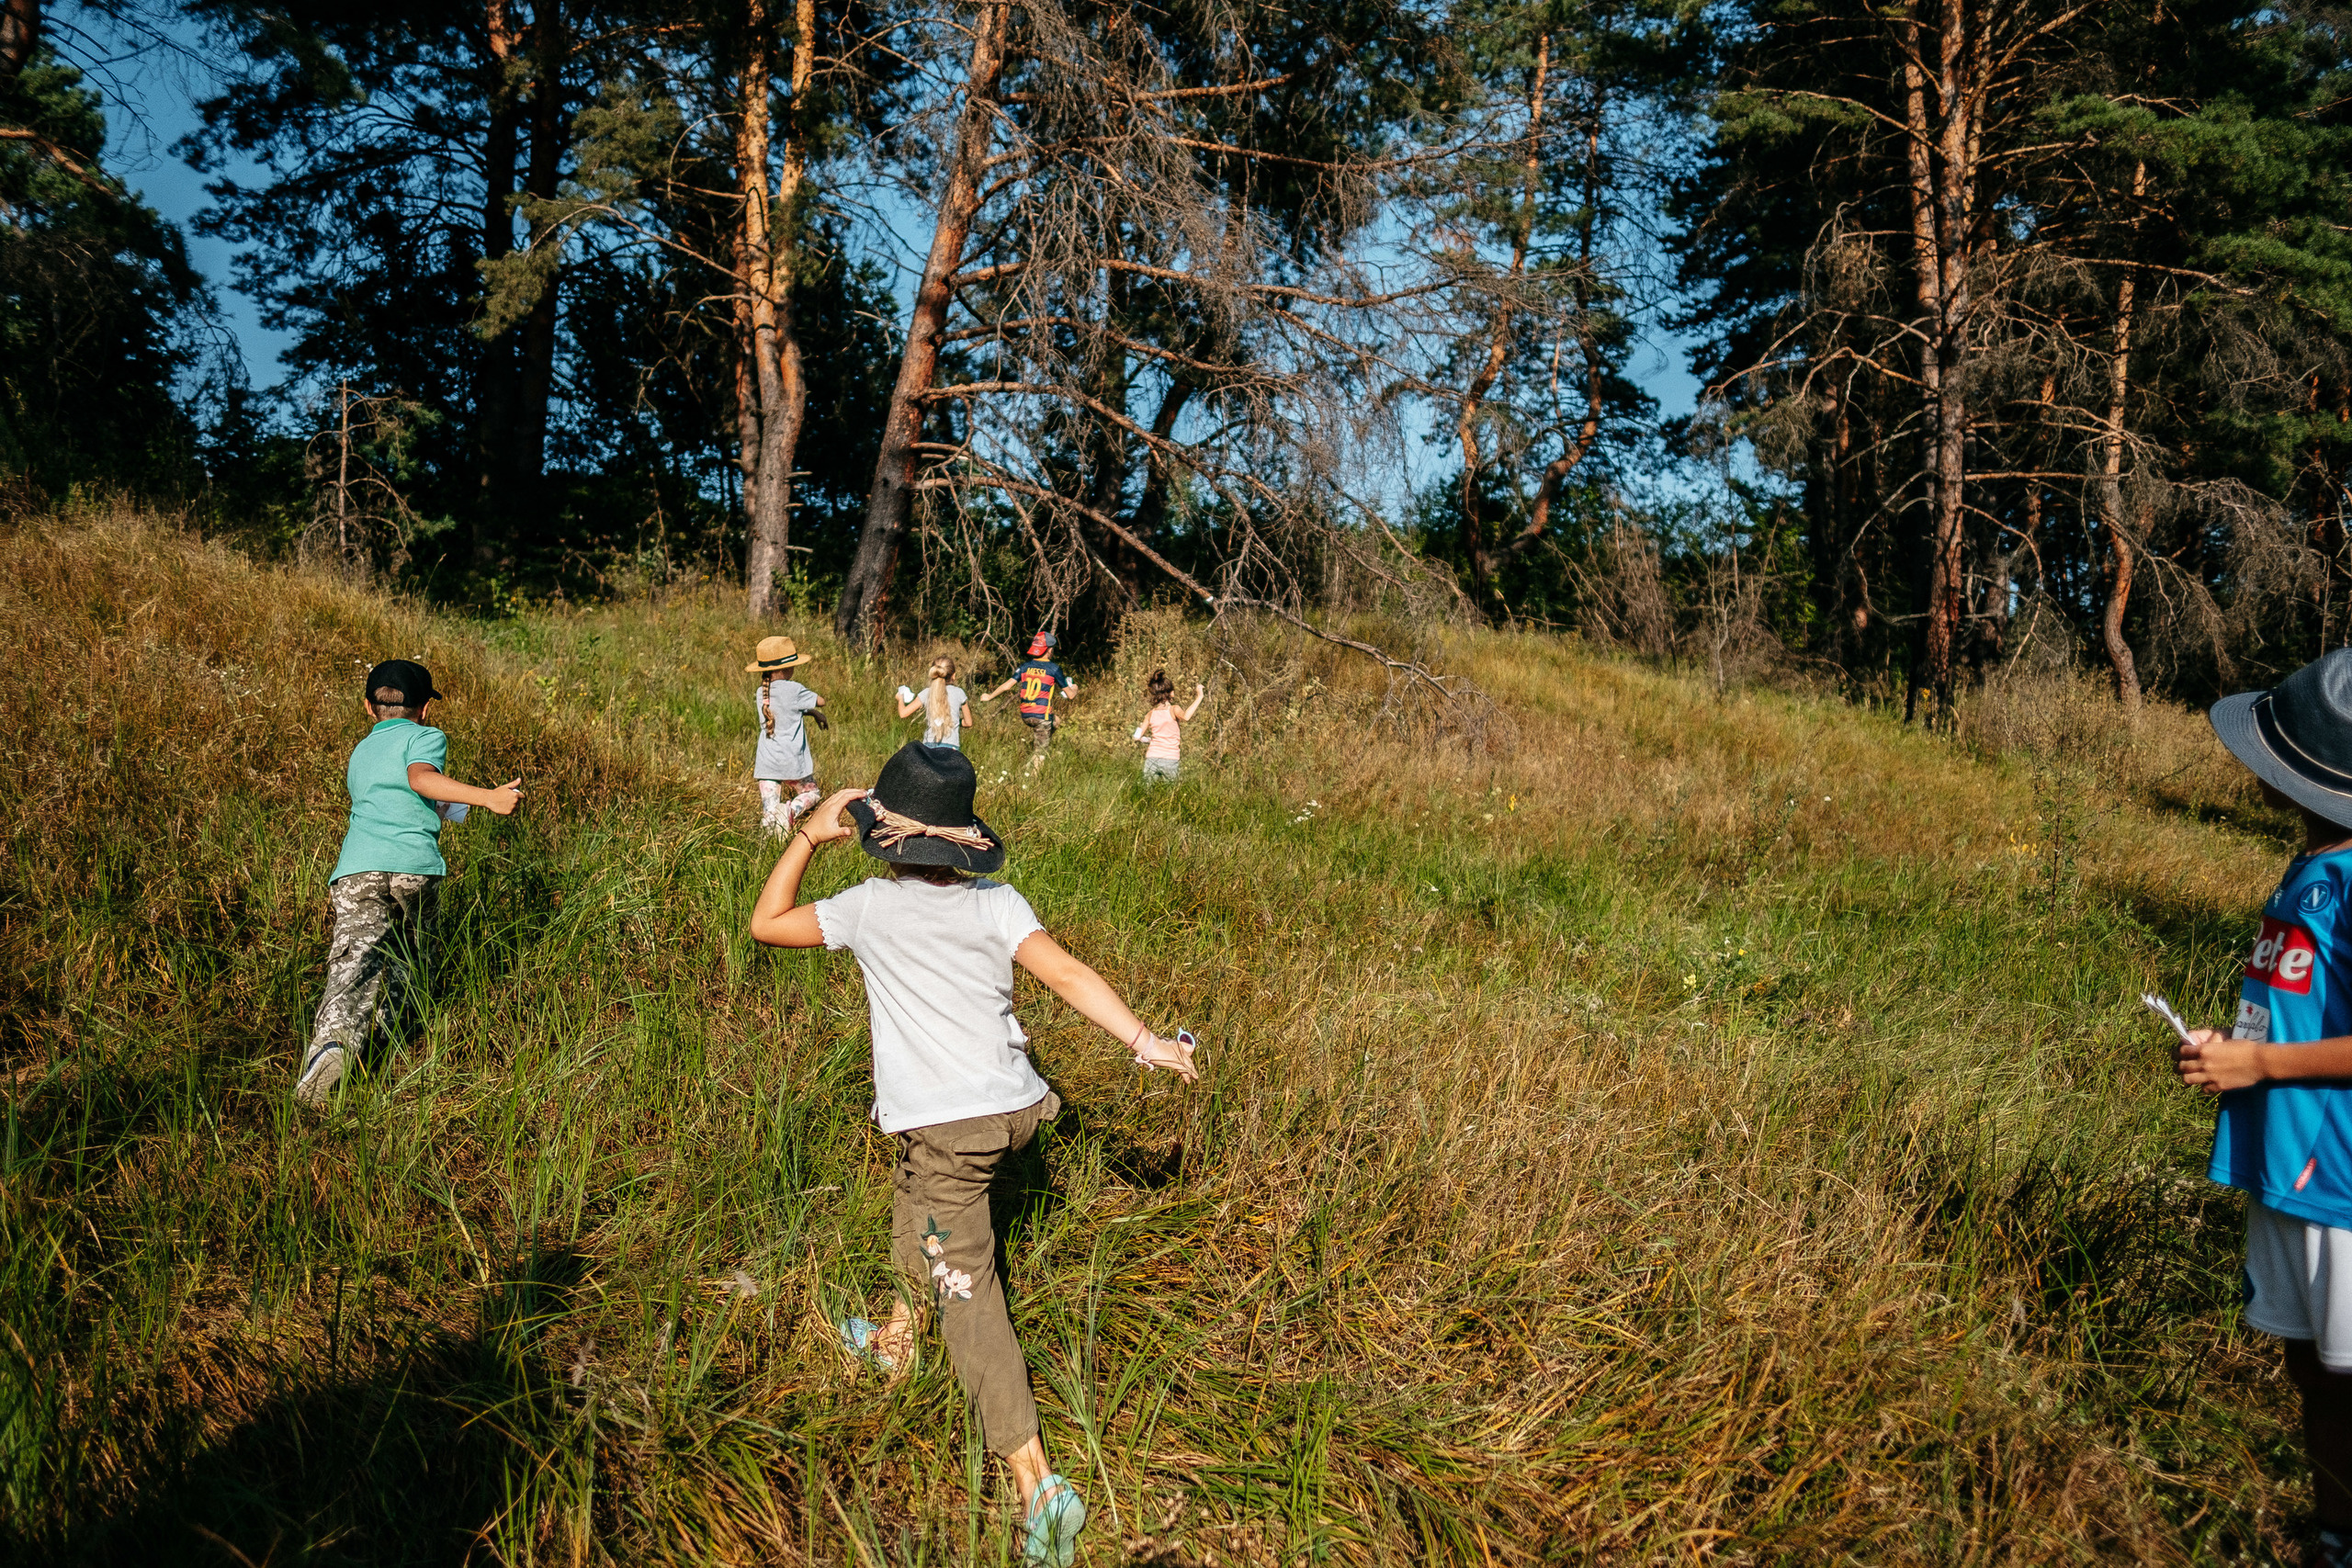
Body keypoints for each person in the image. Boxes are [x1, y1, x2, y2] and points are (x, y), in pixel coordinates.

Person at [746, 742, 1197, 1566]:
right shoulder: (996, 902)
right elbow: (1066, 973)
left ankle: (1038, 1484)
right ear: (964, 840)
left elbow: (766, 923)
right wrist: (1147, 1041)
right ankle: (897, 1336)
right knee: (914, 1194)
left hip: (950, 1128)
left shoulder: (866, 908)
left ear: (881, 835)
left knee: (968, 1293)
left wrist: (808, 834)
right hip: (1011, 1110)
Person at [2176, 647, 2352, 1568]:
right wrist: (2233, 1048)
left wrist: (2259, 1063)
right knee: (2308, 1365)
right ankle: (2334, 1535)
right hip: (2282, 1164)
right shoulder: (2309, 862)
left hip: (2340, 1184)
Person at [296, 660, 524, 1108]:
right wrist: (488, 798)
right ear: (424, 709)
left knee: (353, 963)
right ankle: (393, 1047)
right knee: (412, 961)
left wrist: (449, 807)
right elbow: (420, 779)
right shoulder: (425, 736)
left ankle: (334, 1049)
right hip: (413, 869)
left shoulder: (361, 752)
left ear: (368, 707)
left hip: (358, 871)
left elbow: (398, 798)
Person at [748, 636, 825, 837]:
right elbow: (821, 701)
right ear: (787, 668)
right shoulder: (795, 689)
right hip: (792, 762)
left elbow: (783, 710)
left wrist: (810, 713)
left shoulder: (761, 692)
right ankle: (791, 811)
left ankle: (770, 841)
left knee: (769, 811)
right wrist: (815, 710)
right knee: (812, 793)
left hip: (767, 763)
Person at [980, 632, 1073, 772]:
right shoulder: (1054, 669)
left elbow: (1007, 686)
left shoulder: (1025, 666)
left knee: (1056, 721)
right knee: (1041, 754)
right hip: (1041, 716)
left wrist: (989, 696)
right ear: (1049, 650)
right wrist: (1075, 688)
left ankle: (1032, 758)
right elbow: (1070, 695)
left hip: (1026, 715)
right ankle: (1033, 780)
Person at [1131, 668, 1205, 783]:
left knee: (1146, 791)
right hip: (1170, 759)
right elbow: (1186, 717)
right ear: (1171, 693)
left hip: (1151, 758)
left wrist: (1146, 735)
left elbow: (1136, 737)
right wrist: (1199, 696)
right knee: (1171, 792)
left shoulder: (1150, 714)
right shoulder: (1174, 709)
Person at [898, 655, 975, 748]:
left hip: (929, 746)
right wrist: (951, 721)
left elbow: (903, 713)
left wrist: (900, 698)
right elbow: (968, 723)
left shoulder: (926, 693)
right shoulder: (959, 693)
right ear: (954, 675)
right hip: (951, 749)